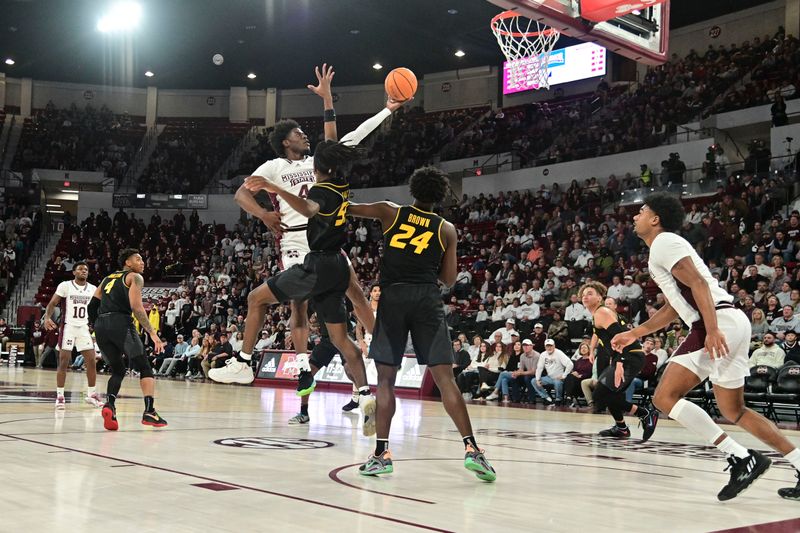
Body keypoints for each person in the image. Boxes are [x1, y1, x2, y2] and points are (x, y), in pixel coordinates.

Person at [214, 65, 403, 386]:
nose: (304, 134)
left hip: (323, 241)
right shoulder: (273, 166)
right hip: (296, 246)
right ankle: (295, 366)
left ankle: (380, 351)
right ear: (285, 143)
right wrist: (262, 215)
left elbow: (350, 136)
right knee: (301, 309)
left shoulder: (319, 161)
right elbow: (241, 193)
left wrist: (386, 110)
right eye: (298, 132)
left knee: (356, 295)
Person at [611, 192, 800, 501]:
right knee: (734, 410)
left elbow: (698, 285)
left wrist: (711, 330)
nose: (635, 216)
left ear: (655, 219)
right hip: (730, 320)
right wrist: (636, 332)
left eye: (642, 211)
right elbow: (674, 307)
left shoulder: (664, 243)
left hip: (716, 323)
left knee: (664, 397)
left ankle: (740, 457)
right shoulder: (665, 247)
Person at [345, 166, 496, 481]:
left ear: (412, 190)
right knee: (445, 380)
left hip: (394, 299)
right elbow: (449, 279)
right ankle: (472, 450)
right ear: (440, 197)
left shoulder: (390, 212)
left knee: (386, 381)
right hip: (427, 300)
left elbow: (346, 208)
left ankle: (382, 454)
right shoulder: (447, 229)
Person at [236, 140, 377, 435]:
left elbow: (310, 209)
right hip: (339, 265)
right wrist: (327, 100)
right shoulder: (341, 186)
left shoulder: (320, 190)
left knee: (257, 298)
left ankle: (243, 361)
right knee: (342, 338)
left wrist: (278, 190)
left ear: (319, 169)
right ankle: (365, 395)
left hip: (317, 264)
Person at [88, 249, 167, 431]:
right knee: (145, 367)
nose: (143, 262)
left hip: (101, 325)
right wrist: (153, 334)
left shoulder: (107, 278)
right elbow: (137, 308)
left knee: (118, 370)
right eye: (138, 259)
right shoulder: (134, 277)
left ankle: (110, 405)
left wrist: (96, 325)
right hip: (121, 323)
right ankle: (149, 411)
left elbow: (92, 305)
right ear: (127, 263)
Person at [43, 261, 103, 409]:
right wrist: (46, 317)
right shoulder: (65, 286)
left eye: (86, 270)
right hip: (68, 327)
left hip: (83, 328)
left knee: (91, 361)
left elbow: (98, 308)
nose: (84, 271)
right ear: (74, 272)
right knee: (64, 362)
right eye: (80, 269)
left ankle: (91, 394)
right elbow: (52, 303)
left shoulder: (93, 289)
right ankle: (60, 396)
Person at [532, 339, 573, 405]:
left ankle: (558, 399)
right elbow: (539, 368)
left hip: (559, 378)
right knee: (533, 381)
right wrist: (537, 379)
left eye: (551, 346)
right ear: (545, 347)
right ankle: (547, 398)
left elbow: (570, 364)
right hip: (549, 377)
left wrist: (564, 376)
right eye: (547, 346)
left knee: (557, 383)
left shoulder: (559, 353)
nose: (549, 348)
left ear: (554, 346)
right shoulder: (543, 354)